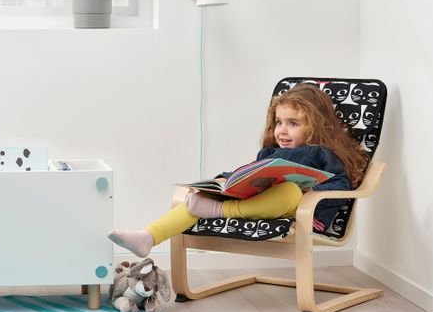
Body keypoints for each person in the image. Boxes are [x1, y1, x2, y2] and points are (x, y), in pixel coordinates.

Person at [108, 83, 368, 258]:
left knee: (289, 190)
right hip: (260, 205)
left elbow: (341, 183)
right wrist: (226, 181)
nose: (282, 130)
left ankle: (220, 210)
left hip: (304, 213)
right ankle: (148, 236)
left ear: (316, 126)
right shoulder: (270, 152)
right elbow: (256, 174)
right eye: (278, 122)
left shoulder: (322, 153)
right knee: (198, 198)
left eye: (293, 123)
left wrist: (312, 190)